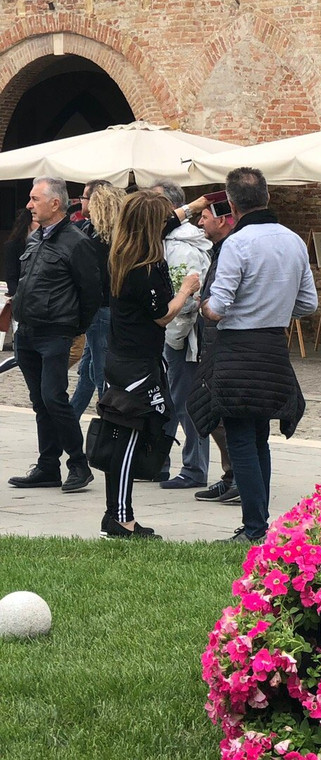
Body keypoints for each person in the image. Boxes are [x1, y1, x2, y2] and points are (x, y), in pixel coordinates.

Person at [193, 167, 318, 544]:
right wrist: (274, 308)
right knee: (258, 436)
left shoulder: (238, 243)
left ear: (231, 204)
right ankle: (258, 523)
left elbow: (219, 307)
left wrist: (202, 306)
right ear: (267, 197)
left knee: (241, 438)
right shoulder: (294, 241)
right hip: (273, 346)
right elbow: (308, 303)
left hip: (237, 349)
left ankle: (254, 527)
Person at [98, 191, 201, 539]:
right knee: (128, 440)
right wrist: (186, 289)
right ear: (150, 227)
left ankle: (115, 515)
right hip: (137, 365)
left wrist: (195, 205)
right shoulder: (144, 269)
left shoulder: (123, 250)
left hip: (122, 358)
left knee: (121, 435)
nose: (167, 224)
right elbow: (162, 316)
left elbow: (169, 220)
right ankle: (122, 520)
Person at [8, 176, 100, 492]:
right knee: (40, 402)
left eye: (35, 199)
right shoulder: (36, 239)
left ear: (55, 203)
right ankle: (48, 466)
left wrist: (74, 327)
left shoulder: (76, 242)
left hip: (55, 333)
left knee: (54, 398)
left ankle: (78, 464)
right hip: (27, 332)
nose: (29, 204)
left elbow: (91, 292)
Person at [151, 179, 213, 489]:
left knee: (186, 399)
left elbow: (186, 296)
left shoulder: (181, 246)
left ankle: (194, 468)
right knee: (166, 398)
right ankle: (159, 461)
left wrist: (172, 335)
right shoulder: (164, 240)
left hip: (181, 333)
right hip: (169, 331)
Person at [192, 206, 238, 504]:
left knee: (219, 411)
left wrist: (204, 305)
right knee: (208, 409)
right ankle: (230, 474)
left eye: (205, 217)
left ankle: (236, 476)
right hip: (210, 338)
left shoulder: (232, 249)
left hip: (222, 337)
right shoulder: (219, 248)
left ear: (222, 219)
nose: (200, 222)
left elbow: (222, 302)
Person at [71, 184, 125, 417]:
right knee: (89, 370)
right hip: (109, 309)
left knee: (101, 373)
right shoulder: (119, 237)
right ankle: (68, 425)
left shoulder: (95, 239)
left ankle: (106, 426)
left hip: (100, 310)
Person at [1, 210, 38, 376]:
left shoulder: (43, 243)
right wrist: (18, 299)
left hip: (38, 301)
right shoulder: (13, 245)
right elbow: (11, 277)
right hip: (21, 301)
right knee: (22, 351)